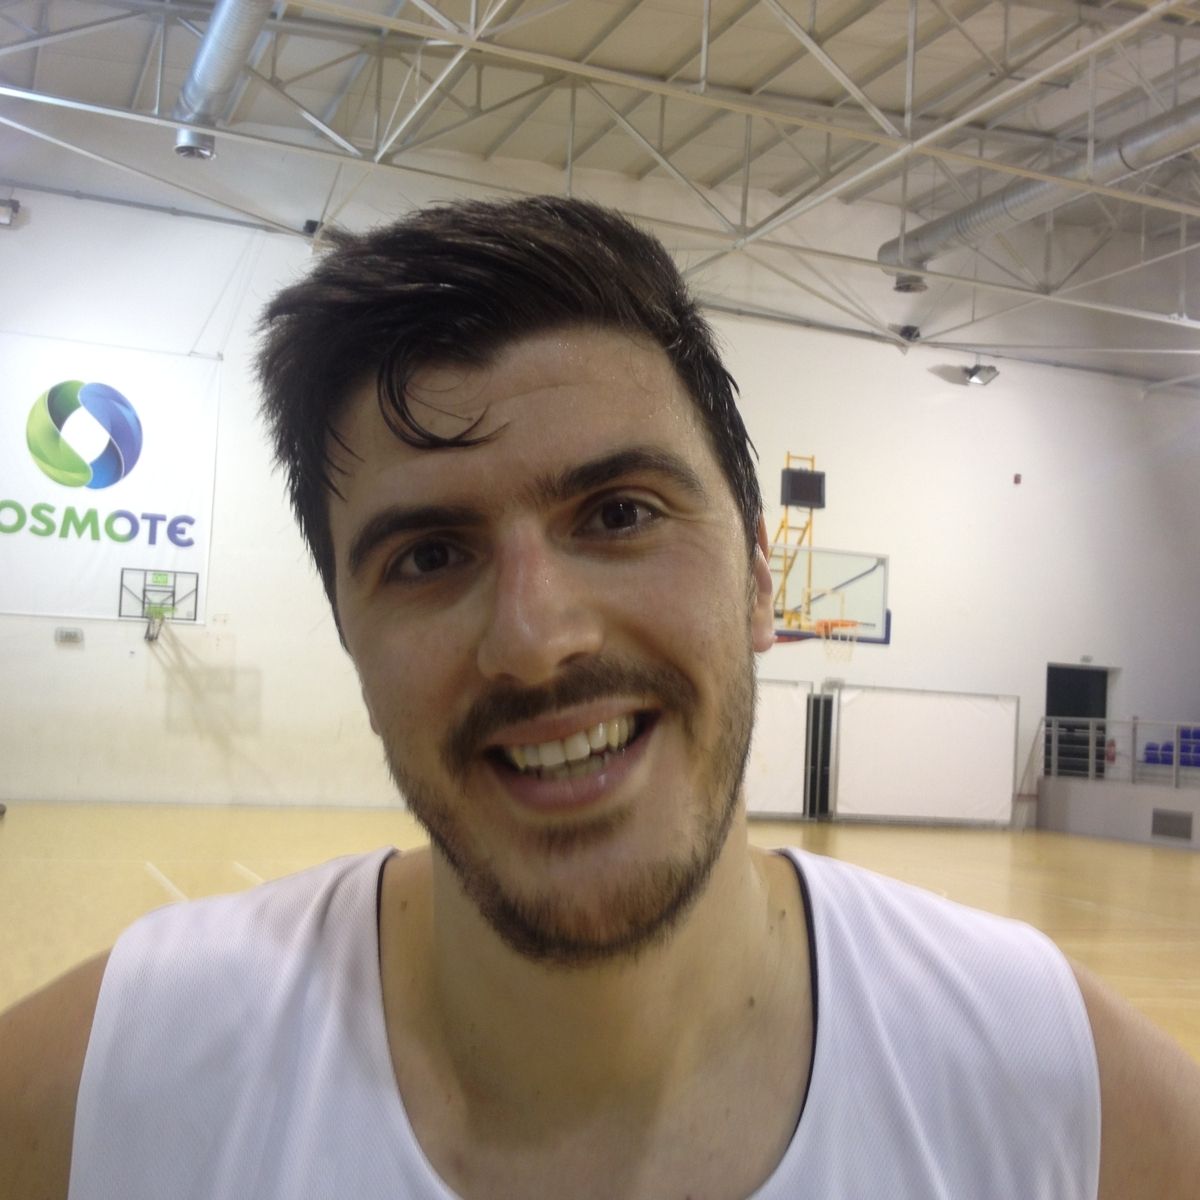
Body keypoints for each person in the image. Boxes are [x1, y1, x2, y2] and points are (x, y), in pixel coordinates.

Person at [2, 195, 1198, 1200]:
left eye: (621, 514)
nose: (536, 642)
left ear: (760, 582)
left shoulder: (1052, 1083)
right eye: (429, 556)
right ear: (351, 642)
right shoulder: (117, 1078)